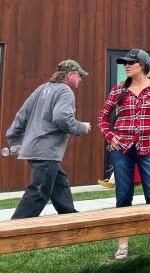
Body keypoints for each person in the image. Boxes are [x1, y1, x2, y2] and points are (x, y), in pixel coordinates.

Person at [97, 48, 150, 260]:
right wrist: (110, 136)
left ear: (142, 65)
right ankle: (122, 244)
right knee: (123, 195)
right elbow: (102, 117)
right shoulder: (118, 90)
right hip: (121, 149)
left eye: (131, 63)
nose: (126, 66)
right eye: (125, 63)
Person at [5, 60, 91, 219]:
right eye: (79, 75)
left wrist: (15, 141)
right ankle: (14, 229)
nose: (80, 79)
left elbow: (21, 116)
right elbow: (62, 119)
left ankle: (70, 219)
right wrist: (81, 127)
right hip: (45, 151)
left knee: (60, 183)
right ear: (70, 75)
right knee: (39, 192)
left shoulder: (42, 89)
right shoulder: (65, 91)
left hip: (34, 148)